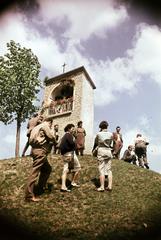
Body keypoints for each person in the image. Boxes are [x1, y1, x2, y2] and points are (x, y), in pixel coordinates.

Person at [25, 118, 56, 202]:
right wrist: (52, 131)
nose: (50, 126)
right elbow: (51, 137)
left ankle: (40, 188)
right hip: (40, 151)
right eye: (51, 124)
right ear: (49, 122)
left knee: (47, 169)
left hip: (35, 150)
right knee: (34, 173)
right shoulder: (45, 126)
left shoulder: (36, 127)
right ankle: (29, 196)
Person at [59, 123, 81, 192]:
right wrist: (75, 142)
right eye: (72, 128)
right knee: (78, 168)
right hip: (70, 154)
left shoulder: (65, 136)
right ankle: (73, 182)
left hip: (65, 154)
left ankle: (63, 186)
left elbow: (61, 147)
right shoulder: (69, 135)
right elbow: (73, 144)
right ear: (69, 129)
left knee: (65, 170)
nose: (73, 129)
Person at [93, 121, 113, 192]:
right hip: (108, 151)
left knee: (101, 169)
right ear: (107, 126)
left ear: (100, 127)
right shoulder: (111, 134)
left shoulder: (98, 134)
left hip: (101, 150)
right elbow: (111, 143)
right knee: (109, 170)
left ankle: (102, 187)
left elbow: (96, 143)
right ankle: (109, 186)